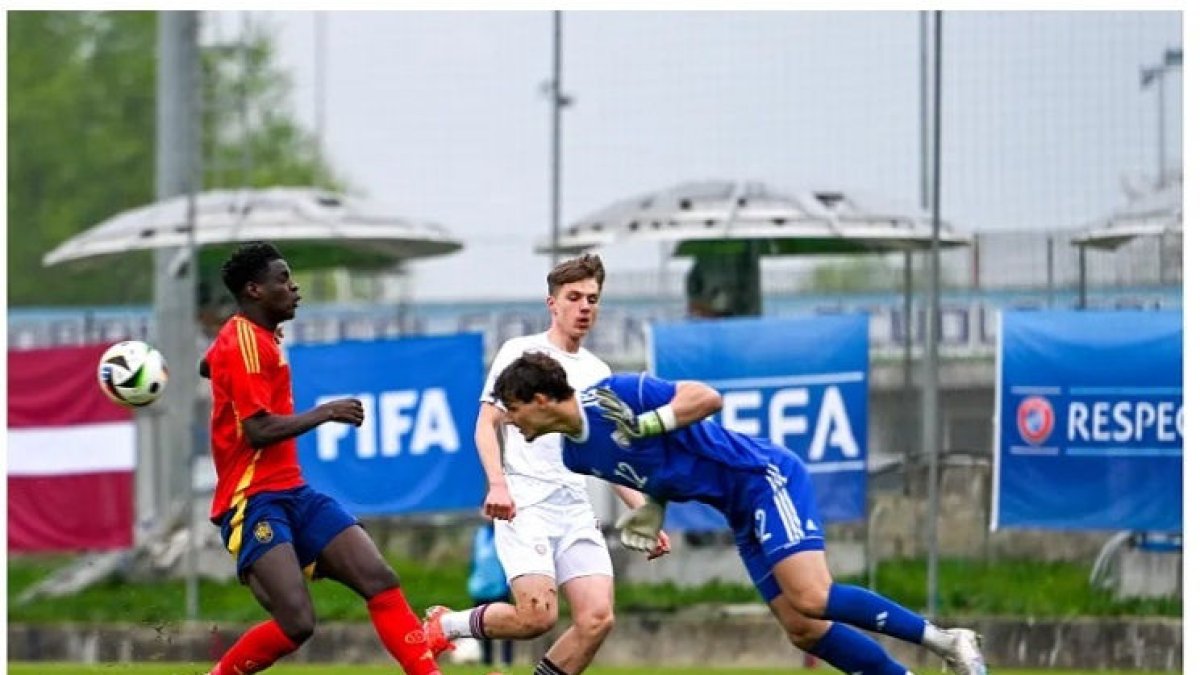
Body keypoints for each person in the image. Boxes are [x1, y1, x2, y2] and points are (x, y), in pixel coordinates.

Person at [487, 352, 990, 675]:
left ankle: (947, 641)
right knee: (803, 628)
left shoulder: (617, 394)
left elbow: (707, 398)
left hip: (763, 478)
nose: (508, 419)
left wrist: (651, 420)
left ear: (538, 399)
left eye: (512, 408)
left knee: (812, 596)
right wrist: (654, 509)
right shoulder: (577, 456)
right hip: (736, 509)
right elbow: (660, 465)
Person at [201, 242, 441, 675]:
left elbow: (215, 360)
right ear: (254, 290)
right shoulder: (243, 342)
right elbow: (257, 431)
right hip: (253, 501)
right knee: (297, 623)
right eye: (283, 279)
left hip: (293, 491)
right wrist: (327, 411)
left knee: (379, 578)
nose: (294, 288)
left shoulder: (252, 336)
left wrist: (214, 365)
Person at [424, 254, 670, 675]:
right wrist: (497, 484)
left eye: (592, 298)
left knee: (597, 619)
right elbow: (487, 423)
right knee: (537, 617)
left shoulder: (598, 371)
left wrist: (642, 511)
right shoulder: (521, 353)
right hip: (526, 501)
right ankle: (445, 625)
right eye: (574, 297)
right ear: (552, 303)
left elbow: (606, 454)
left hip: (574, 506)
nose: (584, 307)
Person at [468, 520, 515, 669]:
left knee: (507, 626)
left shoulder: (506, 532)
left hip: (500, 587)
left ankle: (507, 661)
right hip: (480, 588)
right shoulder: (479, 533)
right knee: (482, 626)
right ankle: (486, 661)